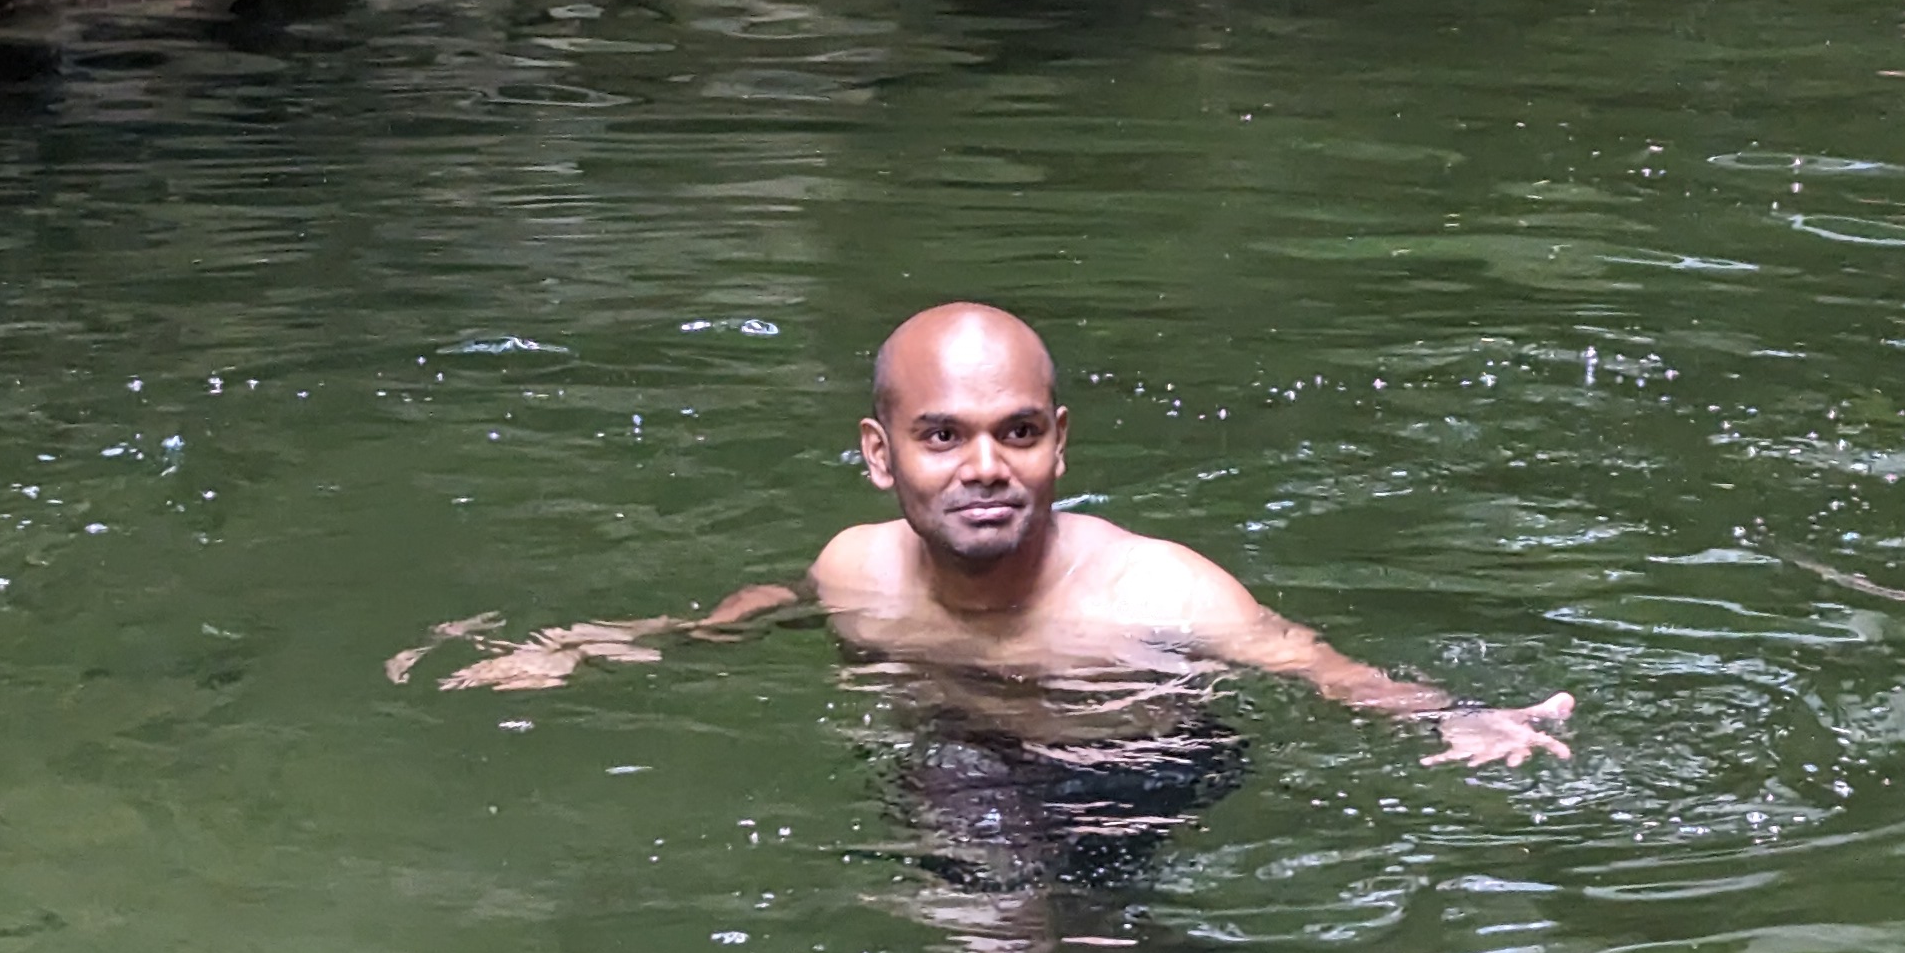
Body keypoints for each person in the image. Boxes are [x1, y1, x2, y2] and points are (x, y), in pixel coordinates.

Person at [419, 302, 1576, 774]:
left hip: (1128, 768)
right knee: (980, 892)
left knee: (1035, 926)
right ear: (881, 455)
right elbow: (757, 610)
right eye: (943, 435)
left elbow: (1318, 667)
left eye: (1017, 432)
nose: (984, 466)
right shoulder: (854, 568)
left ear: (1058, 445)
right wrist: (592, 643)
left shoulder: (1157, 591)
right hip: (952, 755)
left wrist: (1455, 712)